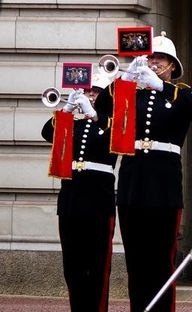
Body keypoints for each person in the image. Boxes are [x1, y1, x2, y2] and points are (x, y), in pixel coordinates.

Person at [95, 32, 192, 312]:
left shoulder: (180, 92)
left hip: (163, 186)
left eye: (160, 60)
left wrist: (161, 87)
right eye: (150, 58)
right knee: (136, 260)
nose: (153, 63)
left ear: (171, 66)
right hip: (133, 184)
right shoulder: (130, 95)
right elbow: (102, 106)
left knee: (160, 262)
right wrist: (125, 78)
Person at [41, 69, 117, 312]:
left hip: (98, 200)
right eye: (86, 91)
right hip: (71, 200)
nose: (89, 96)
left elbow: (118, 140)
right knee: (73, 267)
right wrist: (66, 109)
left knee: (97, 268)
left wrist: (94, 114)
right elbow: (46, 133)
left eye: (94, 92)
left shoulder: (110, 122)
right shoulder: (69, 124)